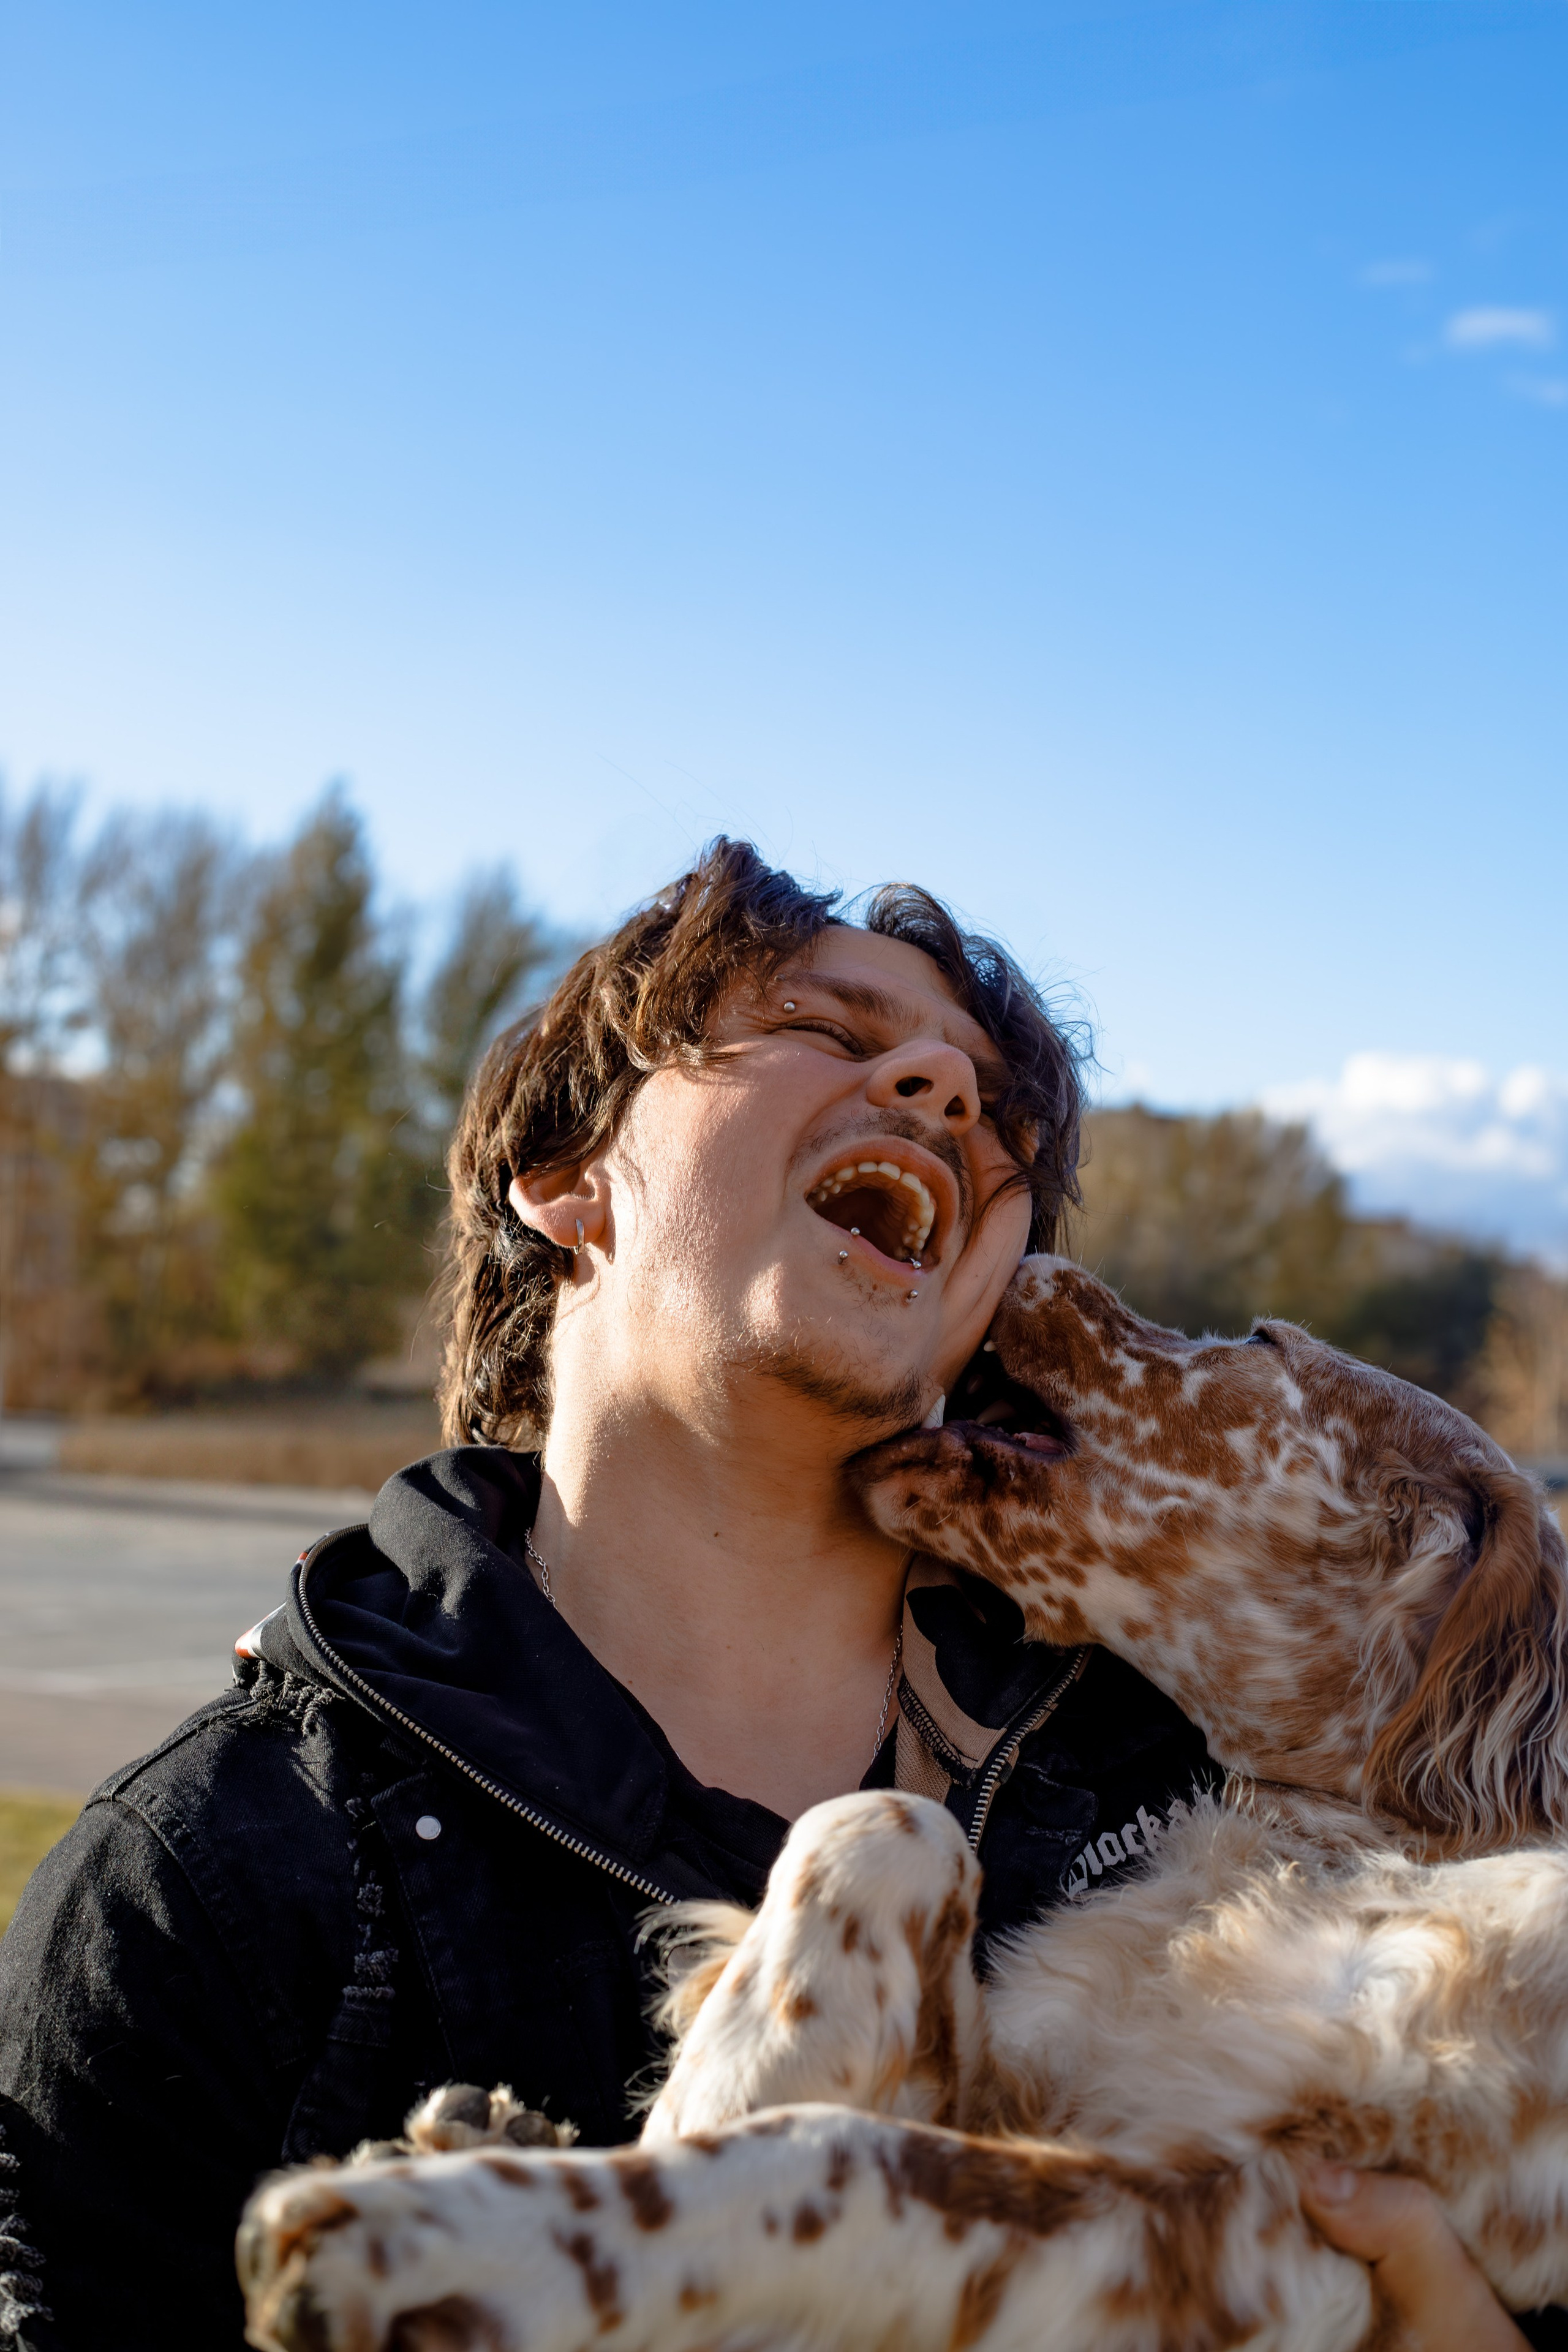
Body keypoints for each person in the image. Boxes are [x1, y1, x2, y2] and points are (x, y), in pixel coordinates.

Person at [0, 841, 1552, 2350]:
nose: (941, 1091)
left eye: (990, 1108)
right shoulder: (214, 1879)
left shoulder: (1232, 1781)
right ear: (566, 1180)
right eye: (825, 1029)